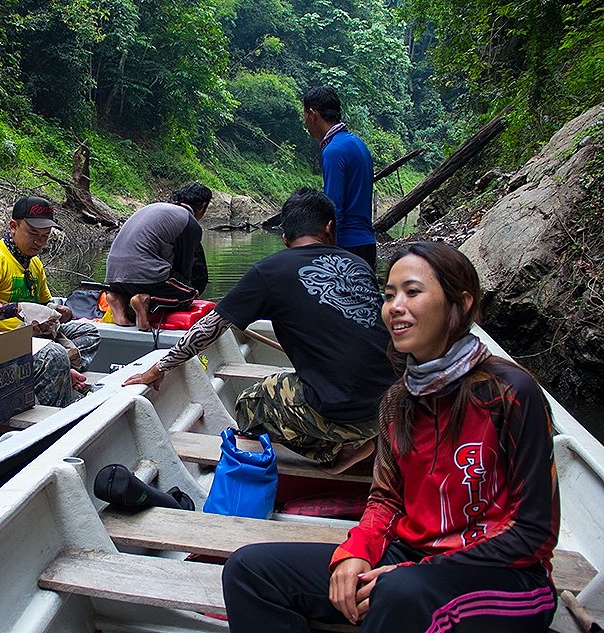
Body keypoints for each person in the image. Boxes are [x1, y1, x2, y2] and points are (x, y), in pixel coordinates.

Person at [222, 241, 560, 633]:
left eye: (412, 292)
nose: (394, 307)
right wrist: (355, 552)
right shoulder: (398, 400)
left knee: (399, 594)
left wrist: (414, 570)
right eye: (388, 295)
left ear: (462, 303)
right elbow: (386, 498)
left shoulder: (511, 392)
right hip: (409, 561)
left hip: (506, 577)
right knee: (248, 571)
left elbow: (533, 533)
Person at [125, 188, 394, 474]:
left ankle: (334, 448)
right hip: (392, 405)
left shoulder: (270, 271)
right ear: (329, 228)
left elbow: (210, 328)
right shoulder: (359, 265)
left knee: (248, 405)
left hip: (343, 411)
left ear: (284, 239)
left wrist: (161, 366)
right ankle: (365, 437)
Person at [0, 195, 99, 408]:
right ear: (13, 226)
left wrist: (59, 312)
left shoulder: (35, 264)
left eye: (45, 236)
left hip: (31, 339)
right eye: (33, 233)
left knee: (88, 332)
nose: (39, 242)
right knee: (54, 354)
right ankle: (55, 400)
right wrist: (16, 309)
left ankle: (58, 373)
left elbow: (45, 303)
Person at [105, 182, 212, 331]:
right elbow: (184, 268)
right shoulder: (189, 221)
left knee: (147, 280)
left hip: (114, 277)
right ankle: (145, 301)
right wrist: (187, 289)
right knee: (189, 295)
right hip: (143, 276)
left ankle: (117, 299)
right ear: (202, 206)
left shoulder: (154, 208)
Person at [302, 86, 376, 270]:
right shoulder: (357, 144)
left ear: (313, 114)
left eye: (304, 116)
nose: (305, 123)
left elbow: (333, 208)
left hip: (347, 246)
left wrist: (326, 253)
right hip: (367, 242)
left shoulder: (334, 151)